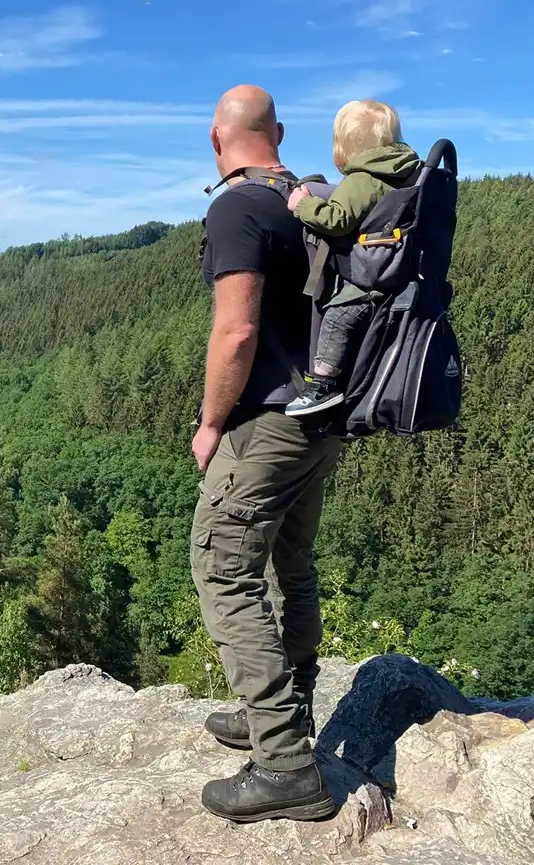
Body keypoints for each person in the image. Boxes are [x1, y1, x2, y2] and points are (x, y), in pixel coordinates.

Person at [191, 85, 343, 823]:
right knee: (292, 564)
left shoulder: (236, 207)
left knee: (223, 571)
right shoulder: (317, 199)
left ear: (217, 140)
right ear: (277, 133)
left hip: (268, 422)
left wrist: (211, 422)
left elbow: (237, 332)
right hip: (324, 417)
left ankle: (284, 763)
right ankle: (282, 712)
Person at [284, 100, 422, 416]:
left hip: (371, 278)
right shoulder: (411, 176)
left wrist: (302, 206)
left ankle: (322, 386)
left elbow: (336, 220)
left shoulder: (361, 179)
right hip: (402, 275)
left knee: (337, 318)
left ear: (344, 148)